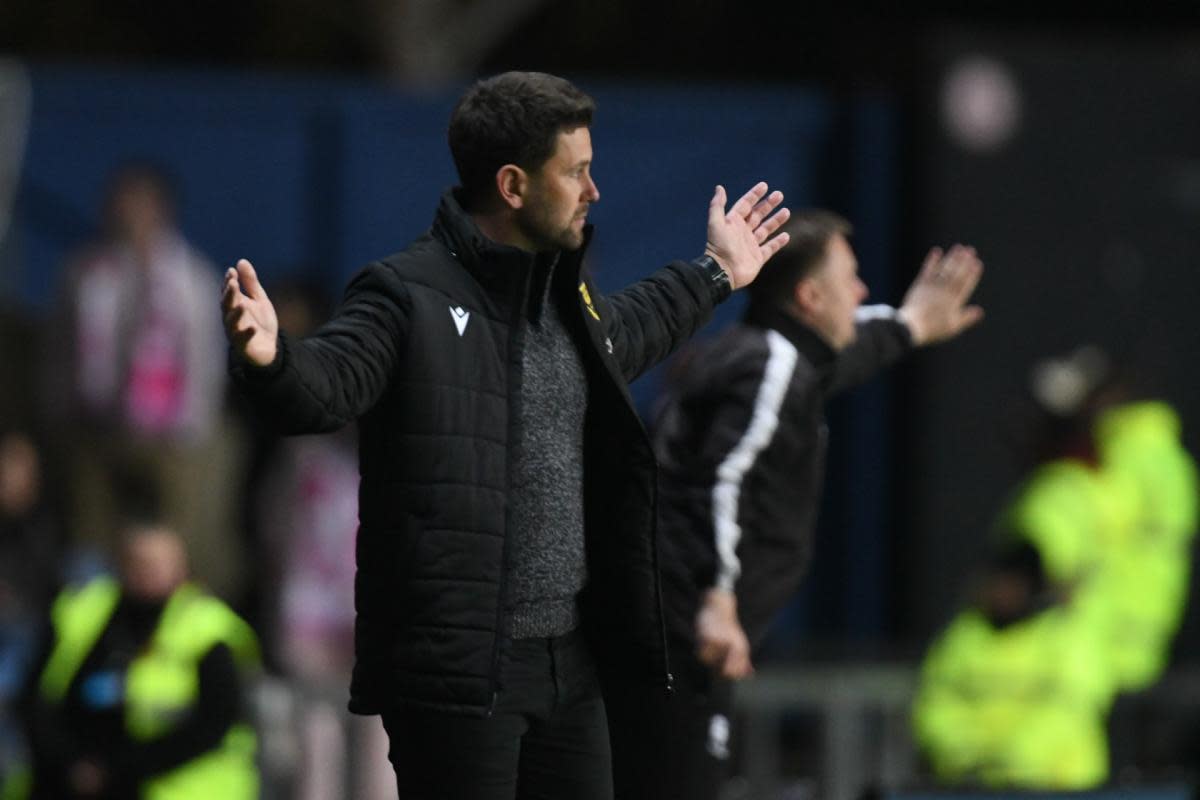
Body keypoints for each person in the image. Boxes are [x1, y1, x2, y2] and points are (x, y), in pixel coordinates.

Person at [221, 70, 790, 800]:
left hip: (572, 665)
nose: (594, 191)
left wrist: (717, 273)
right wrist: (273, 360)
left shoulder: (564, 294)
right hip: (460, 678)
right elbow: (327, 385)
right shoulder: (405, 292)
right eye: (577, 173)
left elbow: (632, 326)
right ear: (514, 186)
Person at [606, 210, 984, 799]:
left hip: (671, 636)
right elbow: (721, 480)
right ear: (809, 296)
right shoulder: (772, 366)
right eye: (851, 278)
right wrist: (717, 597)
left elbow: (839, 356)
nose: (861, 292)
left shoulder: (760, 355)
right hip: (681, 635)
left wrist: (910, 324)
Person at [47, 163, 246, 601]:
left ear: (161, 209)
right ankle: (93, 629)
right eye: (120, 202)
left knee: (176, 538)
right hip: (96, 428)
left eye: (138, 202)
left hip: (171, 436)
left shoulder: (191, 276)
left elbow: (205, 358)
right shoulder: (85, 272)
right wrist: (62, 412)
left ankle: (175, 620)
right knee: (91, 537)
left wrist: (193, 426)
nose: (127, 212)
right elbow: (63, 348)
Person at [21, 520, 260, 799]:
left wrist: (117, 768)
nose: (148, 573)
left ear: (181, 569)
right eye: (139, 562)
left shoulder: (205, 628)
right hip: (74, 774)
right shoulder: (83, 611)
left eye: (159, 564)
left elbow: (213, 723)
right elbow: (35, 698)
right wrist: (70, 762)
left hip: (172, 782)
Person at [911, 541, 1115, 789]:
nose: (1003, 592)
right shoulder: (962, 639)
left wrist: (1014, 760)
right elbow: (936, 705)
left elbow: (1071, 709)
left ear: (1033, 586)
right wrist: (967, 753)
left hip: (1058, 786)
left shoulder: (1065, 636)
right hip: (974, 786)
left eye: (1013, 584)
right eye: (998, 582)